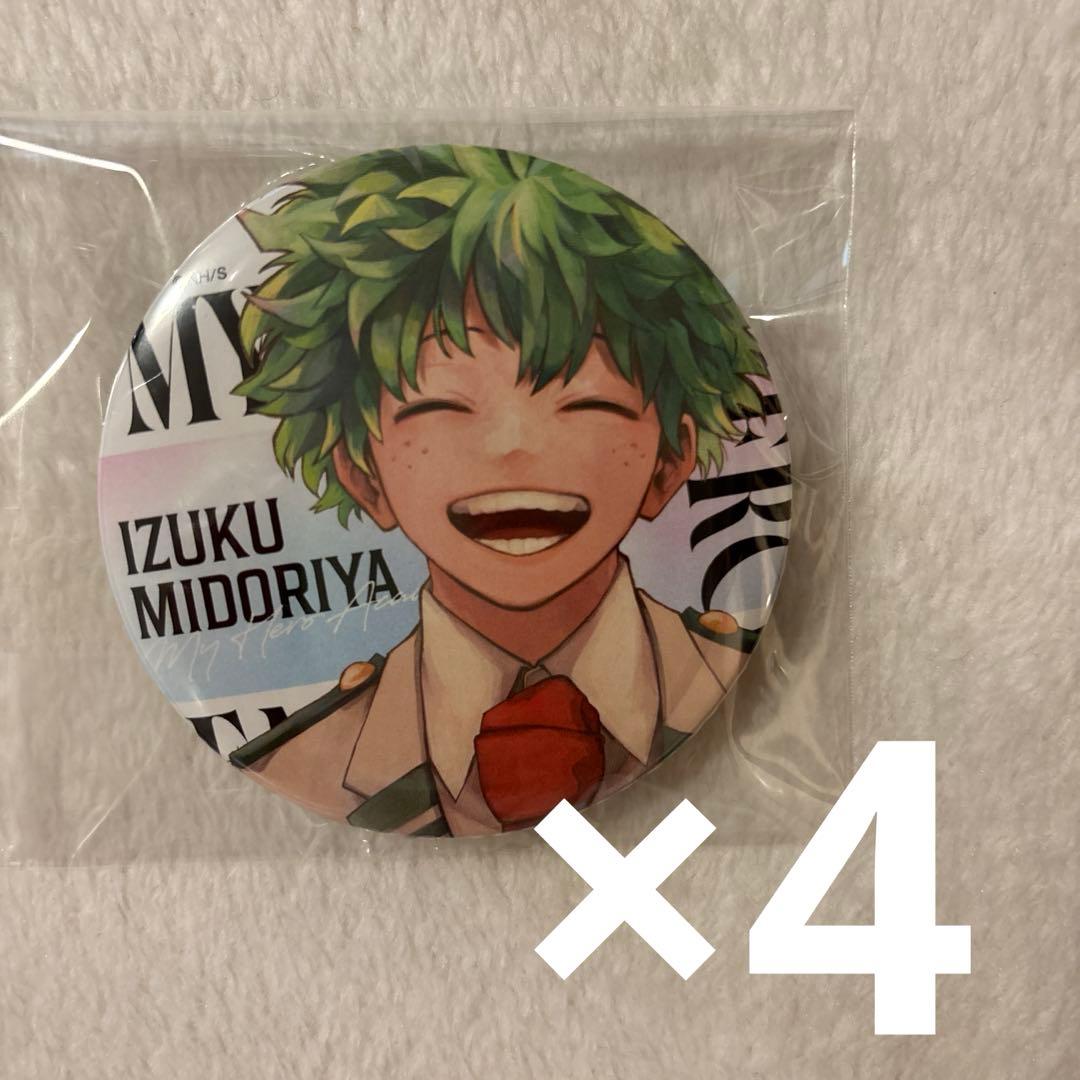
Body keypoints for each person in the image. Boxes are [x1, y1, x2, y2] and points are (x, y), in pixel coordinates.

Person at [228, 144, 767, 836]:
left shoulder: (742, 693)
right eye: (440, 407)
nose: (514, 449)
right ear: (363, 476)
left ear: (668, 464)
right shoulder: (302, 765)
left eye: (587, 402)